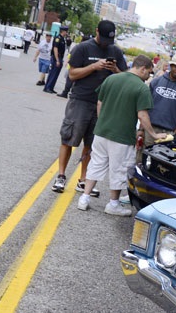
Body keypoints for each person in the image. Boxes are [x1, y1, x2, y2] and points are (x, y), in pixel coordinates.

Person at [76, 55, 168, 215]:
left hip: (102, 131)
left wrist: (102, 121)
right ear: (143, 68)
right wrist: (153, 133)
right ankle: (113, 204)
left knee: (96, 164)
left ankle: (84, 198)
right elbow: (142, 115)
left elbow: (100, 102)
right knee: (118, 169)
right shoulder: (141, 88)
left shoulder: (112, 79)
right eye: (149, 72)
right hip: (122, 136)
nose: (149, 76)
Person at [50, 19, 128, 196]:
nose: (106, 45)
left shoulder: (115, 50)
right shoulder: (83, 48)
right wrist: (94, 66)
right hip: (80, 101)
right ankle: (61, 176)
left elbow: (125, 76)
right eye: (104, 40)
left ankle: (83, 179)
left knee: (91, 144)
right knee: (69, 138)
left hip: (103, 104)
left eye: (110, 41)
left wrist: (115, 68)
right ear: (96, 32)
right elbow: (72, 74)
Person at [145, 53, 176, 147]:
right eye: (175, 66)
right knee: (141, 159)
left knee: (160, 161)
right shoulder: (156, 81)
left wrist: (173, 134)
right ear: (171, 65)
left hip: (169, 133)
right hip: (149, 129)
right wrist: (141, 129)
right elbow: (145, 107)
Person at [44, 25, 69, 94]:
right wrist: (57, 59)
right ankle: (47, 87)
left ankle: (51, 88)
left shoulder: (62, 38)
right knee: (53, 73)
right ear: (63, 31)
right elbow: (55, 49)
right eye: (66, 31)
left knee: (56, 74)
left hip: (60, 58)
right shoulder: (57, 38)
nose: (67, 33)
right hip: (56, 58)